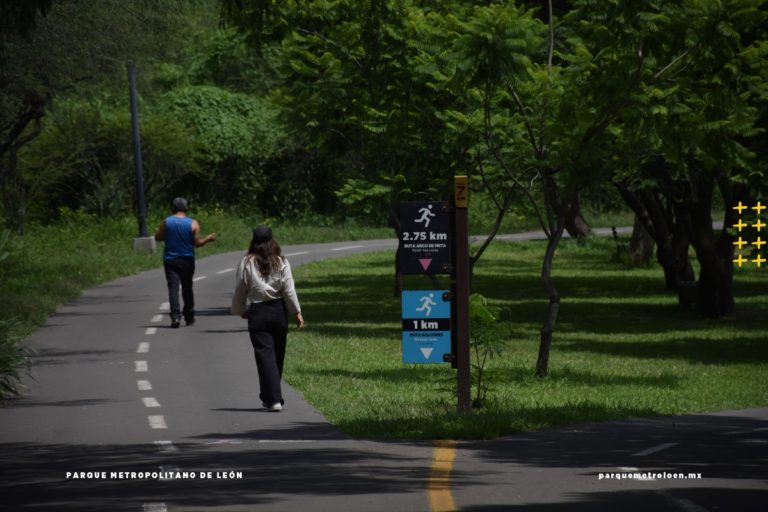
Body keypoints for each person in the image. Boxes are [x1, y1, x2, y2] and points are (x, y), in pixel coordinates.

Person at [231, 225, 304, 412]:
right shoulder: (282, 262)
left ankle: (273, 398)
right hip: (279, 311)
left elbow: (241, 288)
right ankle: (270, 396)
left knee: (265, 356)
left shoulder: (247, 262)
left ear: (253, 242)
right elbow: (289, 289)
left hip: (258, 312)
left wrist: (241, 309)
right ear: (273, 241)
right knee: (277, 355)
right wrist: (296, 311)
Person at [154, 197, 216, 328]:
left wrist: (160, 234)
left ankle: (175, 317)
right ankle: (189, 316)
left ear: (173, 208)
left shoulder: (167, 222)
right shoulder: (193, 223)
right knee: (187, 288)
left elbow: (158, 237)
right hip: (187, 260)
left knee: (173, 288)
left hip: (170, 260)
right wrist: (208, 239)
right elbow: (197, 243)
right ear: (186, 209)